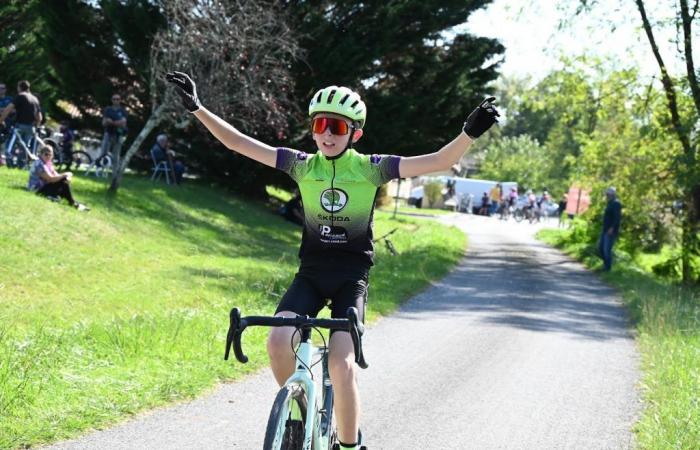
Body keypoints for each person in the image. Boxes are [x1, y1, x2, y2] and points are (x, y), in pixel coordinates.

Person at [165, 70, 499, 450]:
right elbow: (238, 144)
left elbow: (440, 160)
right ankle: (296, 413)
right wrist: (198, 108)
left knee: (341, 366)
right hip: (310, 274)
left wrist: (470, 132)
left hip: (350, 279)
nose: (327, 133)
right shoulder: (303, 165)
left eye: (337, 126)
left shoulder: (372, 168)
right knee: (277, 343)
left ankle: (350, 444)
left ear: (355, 133)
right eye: (320, 124)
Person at [27, 145, 89, 211]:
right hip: (37, 190)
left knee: (63, 181)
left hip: (45, 187)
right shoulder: (39, 164)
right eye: (46, 154)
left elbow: (57, 176)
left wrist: (67, 177)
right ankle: (73, 202)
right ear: (41, 154)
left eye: (50, 155)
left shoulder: (48, 163)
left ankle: (73, 202)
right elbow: (50, 179)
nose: (48, 156)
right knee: (62, 180)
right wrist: (65, 175)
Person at [0, 80, 42, 168]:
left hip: (20, 125)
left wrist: (1, 120)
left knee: (9, 144)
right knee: (24, 147)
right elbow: (39, 116)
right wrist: (37, 126)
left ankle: (10, 164)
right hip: (31, 127)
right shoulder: (35, 99)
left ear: (20, 87)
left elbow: (8, 109)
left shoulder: (21, 96)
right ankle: (21, 165)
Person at [99, 93, 128, 171]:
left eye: (118, 99)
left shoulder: (123, 111)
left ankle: (115, 171)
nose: (116, 101)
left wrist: (112, 122)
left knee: (116, 154)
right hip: (108, 133)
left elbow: (123, 123)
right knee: (104, 152)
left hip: (119, 134)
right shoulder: (108, 110)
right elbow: (104, 122)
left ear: (120, 100)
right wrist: (116, 122)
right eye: (114, 99)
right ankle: (101, 169)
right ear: (111, 100)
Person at [598, 187, 622, 271]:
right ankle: (605, 264)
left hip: (611, 231)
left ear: (613, 194)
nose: (607, 196)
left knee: (606, 249)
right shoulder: (609, 203)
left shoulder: (616, 203)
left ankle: (607, 268)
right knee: (600, 248)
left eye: (608, 194)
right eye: (606, 194)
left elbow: (617, 218)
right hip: (605, 229)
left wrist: (612, 228)